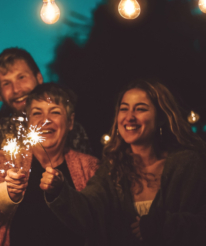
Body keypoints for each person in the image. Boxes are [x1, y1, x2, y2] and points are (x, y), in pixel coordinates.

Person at [41, 80, 206, 245]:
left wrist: (164, 226)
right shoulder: (112, 171)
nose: (129, 117)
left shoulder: (187, 165)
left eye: (140, 109)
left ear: (161, 117)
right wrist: (59, 191)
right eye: (124, 109)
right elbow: (88, 214)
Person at [0, 83, 99, 245]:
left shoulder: (90, 166)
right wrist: (8, 193)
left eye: (55, 112)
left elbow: (95, 221)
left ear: (70, 122)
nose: (45, 120)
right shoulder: (7, 158)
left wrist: (61, 192)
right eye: (37, 113)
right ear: (28, 122)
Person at [0, 47, 91, 154]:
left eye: (21, 77)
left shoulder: (70, 129)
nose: (16, 89)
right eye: (6, 83)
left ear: (39, 78)